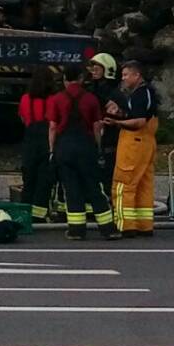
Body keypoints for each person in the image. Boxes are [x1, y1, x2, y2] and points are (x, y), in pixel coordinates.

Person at [49, 65, 122, 240]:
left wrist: (52, 150)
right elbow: (97, 126)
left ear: (65, 80)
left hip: (64, 148)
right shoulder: (90, 99)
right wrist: (97, 148)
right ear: (81, 79)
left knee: (71, 189)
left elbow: (52, 127)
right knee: (93, 187)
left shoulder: (56, 99)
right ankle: (108, 229)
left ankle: (76, 230)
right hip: (85, 147)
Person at [108, 61, 160, 236]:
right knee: (143, 184)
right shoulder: (148, 93)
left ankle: (126, 225)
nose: (123, 79)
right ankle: (144, 225)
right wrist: (121, 114)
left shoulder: (139, 95)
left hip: (133, 143)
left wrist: (116, 122)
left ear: (137, 76)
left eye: (126, 75)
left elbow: (138, 121)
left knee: (123, 184)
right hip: (146, 144)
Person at [18, 65, 58, 223]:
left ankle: (24, 212)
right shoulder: (53, 99)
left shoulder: (25, 98)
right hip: (46, 138)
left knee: (29, 178)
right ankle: (39, 215)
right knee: (44, 179)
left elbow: (22, 118)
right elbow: (54, 122)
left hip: (30, 139)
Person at [85, 53, 120, 196]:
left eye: (97, 68)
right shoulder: (91, 90)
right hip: (93, 140)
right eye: (92, 67)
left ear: (107, 70)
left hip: (109, 141)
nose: (93, 70)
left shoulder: (114, 94)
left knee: (108, 177)